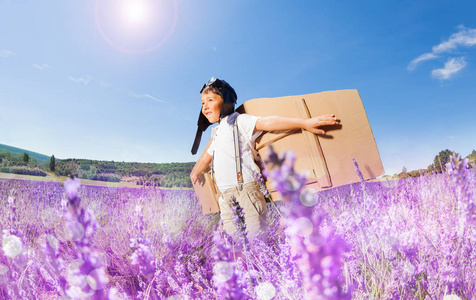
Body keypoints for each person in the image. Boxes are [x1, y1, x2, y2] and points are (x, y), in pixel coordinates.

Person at [190, 77, 339, 241]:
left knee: (255, 243)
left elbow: (268, 122)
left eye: (210, 100)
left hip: (245, 192)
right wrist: (195, 172)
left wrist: (304, 123)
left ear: (225, 100)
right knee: (235, 246)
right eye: (202, 103)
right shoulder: (216, 133)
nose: (205, 106)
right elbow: (207, 156)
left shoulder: (239, 121)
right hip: (225, 197)